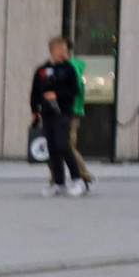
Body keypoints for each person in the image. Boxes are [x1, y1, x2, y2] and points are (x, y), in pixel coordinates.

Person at [30, 37, 87, 198]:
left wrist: (57, 95)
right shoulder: (42, 70)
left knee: (64, 144)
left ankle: (78, 179)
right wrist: (34, 110)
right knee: (52, 147)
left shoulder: (69, 69)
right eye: (59, 49)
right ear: (51, 50)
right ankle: (58, 182)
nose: (63, 53)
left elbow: (74, 91)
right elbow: (35, 92)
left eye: (65, 49)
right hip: (47, 113)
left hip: (64, 112)